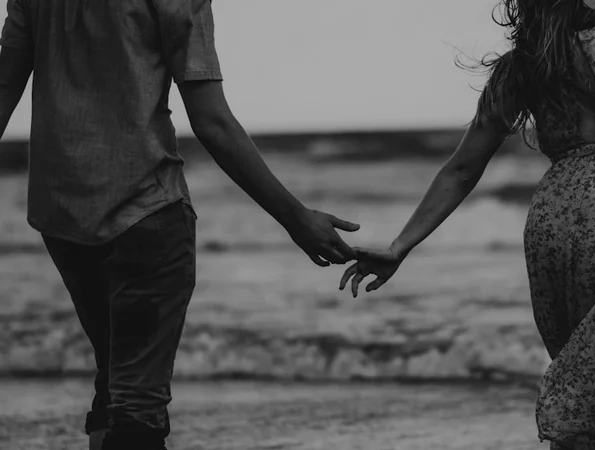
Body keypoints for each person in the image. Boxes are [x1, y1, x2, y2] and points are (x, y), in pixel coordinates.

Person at [341, 0, 595, 448]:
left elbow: (461, 169)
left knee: (583, 381)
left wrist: (400, 246)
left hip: (553, 226)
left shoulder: (525, 65)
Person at [0, 1, 359, 449]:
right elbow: (212, 121)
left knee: (116, 378)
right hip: (144, 208)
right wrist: (295, 217)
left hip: (62, 215)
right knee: (136, 406)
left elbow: (4, 86)